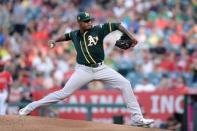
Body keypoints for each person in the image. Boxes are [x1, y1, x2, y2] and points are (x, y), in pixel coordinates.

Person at [19, 12, 154, 126]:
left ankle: (137, 118)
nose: (90, 22)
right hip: (83, 70)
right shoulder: (75, 34)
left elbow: (117, 25)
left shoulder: (98, 29)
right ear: (80, 23)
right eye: (86, 21)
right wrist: (54, 40)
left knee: (125, 84)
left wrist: (131, 37)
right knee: (63, 93)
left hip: (101, 68)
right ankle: (30, 107)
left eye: (90, 20)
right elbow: (65, 37)